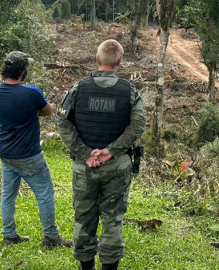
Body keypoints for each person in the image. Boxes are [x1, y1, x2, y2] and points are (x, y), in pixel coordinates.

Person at [58, 39, 146, 270]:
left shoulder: (78, 88)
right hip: (117, 166)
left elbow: (63, 122)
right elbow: (138, 126)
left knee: (84, 216)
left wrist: (85, 153)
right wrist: (111, 151)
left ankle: (85, 267)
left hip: (84, 167)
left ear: (97, 60)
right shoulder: (130, 92)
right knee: (112, 218)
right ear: (120, 62)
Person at [0, 51, 72, 249]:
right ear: (22, 70)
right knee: (45, 193)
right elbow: (48, 111)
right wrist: (32, 111)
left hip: (6, 153)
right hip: (29, 155)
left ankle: (9, 235)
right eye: (27, 67)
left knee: (8, 195)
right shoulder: (32, 92)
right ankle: (51, 237)